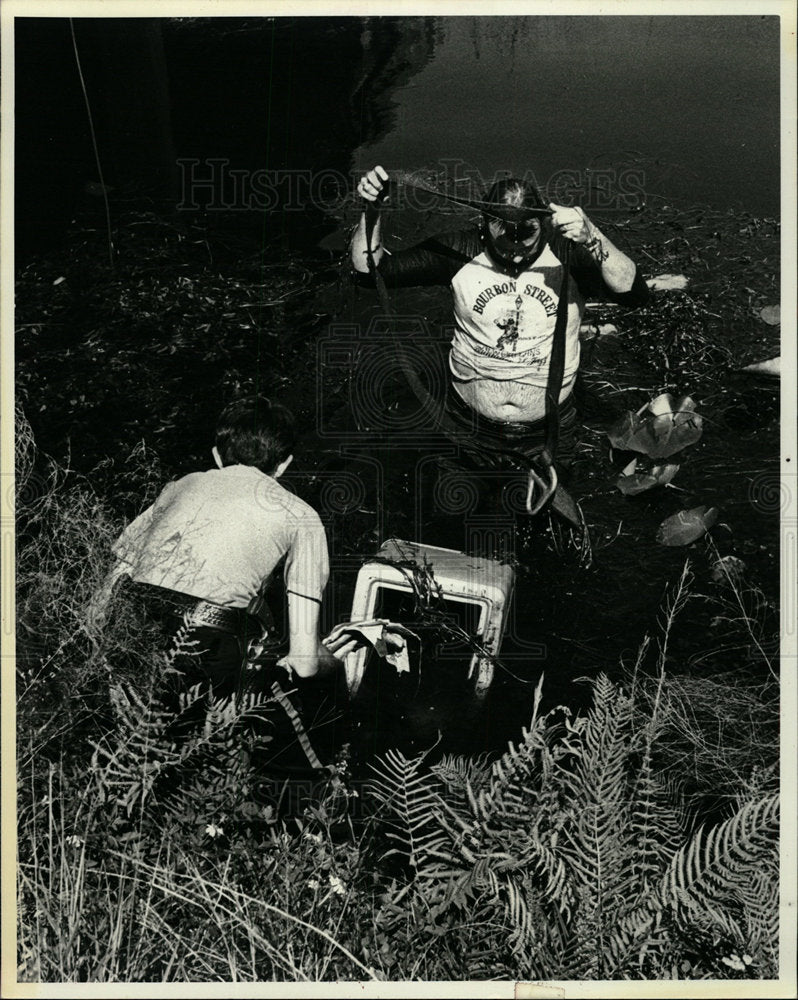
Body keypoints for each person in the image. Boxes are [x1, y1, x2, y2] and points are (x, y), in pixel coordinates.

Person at [350, 165, 650, 510]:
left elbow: (635, 293)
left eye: (528, 234)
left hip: (548, 428)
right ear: (484, 222)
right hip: (467, 422)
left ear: (544, 221)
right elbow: (369, 273)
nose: (517, 249)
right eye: (504, 236)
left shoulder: (567, 253)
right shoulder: (459, 249)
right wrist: (372, 208)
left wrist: (592, 234)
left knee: (544, 516)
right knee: (456, 509)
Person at [90, 396, 344, 766]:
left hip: (128, 632)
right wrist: (335, 666)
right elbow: (304, 661)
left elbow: (100, 604)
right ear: (284, 464)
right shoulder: (300, 516)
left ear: (216, 455)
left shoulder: (180, 486)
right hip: (206, 649)